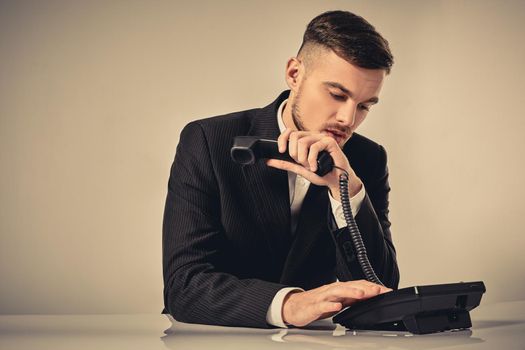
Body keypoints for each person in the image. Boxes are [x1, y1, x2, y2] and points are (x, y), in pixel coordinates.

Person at [162, 10, 400, 328]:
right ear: (294, 74)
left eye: (365, 105)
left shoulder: (367, 159)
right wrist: (289, 304)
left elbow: (381, 289)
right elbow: (184, 285)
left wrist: (347, 192)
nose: (348, 119)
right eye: (337, 95)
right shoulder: (208, 141)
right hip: (214, 338)